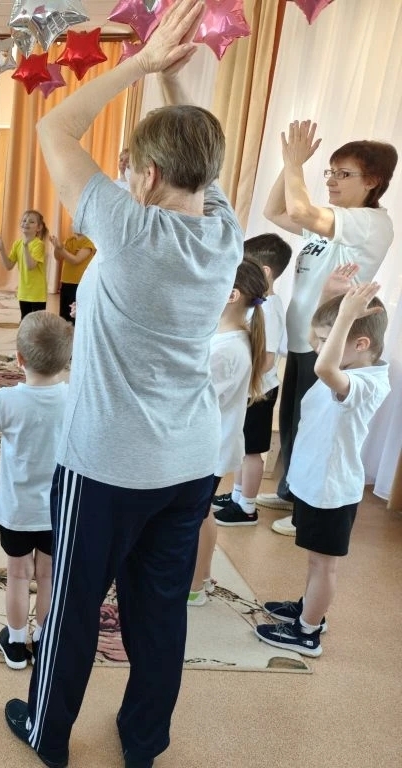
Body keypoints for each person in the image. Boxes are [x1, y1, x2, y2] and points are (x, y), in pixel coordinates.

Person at [1, 4, 242, 768]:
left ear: (150, 174)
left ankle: (48, 734)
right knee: (159, 610)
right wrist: (169, 75)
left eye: (136, 167)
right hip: (189, 461)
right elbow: (200, 166)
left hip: (107, 465)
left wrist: (141, 63)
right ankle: (144, 741)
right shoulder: (224, 233)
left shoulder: (129, 229)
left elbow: (54, 129)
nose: (128, 176)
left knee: (73, 607)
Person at [258, 121, 396, 535]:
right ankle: (289, 490)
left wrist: (295, 163)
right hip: (305, 337)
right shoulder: (336, 221)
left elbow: (301, 210)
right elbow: (275, 211)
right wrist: (290, 164)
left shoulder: (369, 222)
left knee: (314, 427)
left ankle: (306, 509)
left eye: (344, 174)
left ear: (372, 181)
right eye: (330, 172)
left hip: (330, 343)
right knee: (294, 419)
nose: (332, 181)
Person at [255, 285, 389, 657]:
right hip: (315, 484)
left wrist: (345, 316)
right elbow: (323, 354)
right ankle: (309, 608)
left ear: (360, 344)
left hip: (330, 492)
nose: (318, 347)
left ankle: (308, 631)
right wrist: (328, 298)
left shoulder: (362, 383)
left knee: (323, 565)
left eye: (326, 341)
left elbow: (323, 366)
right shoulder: (349, 366)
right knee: (316, 560)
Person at [0, 312, 72, 670]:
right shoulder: (73, 398)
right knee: (47, 577)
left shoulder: (6, 400)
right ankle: (43, 640)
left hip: (16, 510)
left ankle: (15, 643)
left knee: (17, 575)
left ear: (19, 359)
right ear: (66, 360)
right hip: (57, 510)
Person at [189, 258, 268, 605]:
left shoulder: (228, 349)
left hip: (206, 450)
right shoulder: (227, 336)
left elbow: (196, 398)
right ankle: (202, 577)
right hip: (210, 447)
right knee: (201, 513)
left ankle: (194, 586)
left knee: (194, 517)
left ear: (231, 294)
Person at [214, 234, 292, 525]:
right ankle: (237, 496)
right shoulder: (263, 306)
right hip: (250, 390)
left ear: (265, 271)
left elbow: (267, 359)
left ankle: (247, 507)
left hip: (259, 391)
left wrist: (242, 380)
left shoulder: (268, 308)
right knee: (242, 445)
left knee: (252, 452)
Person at [0, 211, 48, 319]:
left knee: (38, 323)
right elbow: (9, 266)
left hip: (37, 293)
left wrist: (26, 246)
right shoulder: (17, 244)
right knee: (25, 320)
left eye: (31, 222)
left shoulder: (39, 245)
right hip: (23, 291)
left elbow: (30, 266)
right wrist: (2, 249)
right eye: (24, 220)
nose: (26, 223)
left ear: (39, 228)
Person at [51, 232, 96, 324]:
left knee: (75, 314)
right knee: (64, 314)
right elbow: (58, 257)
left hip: (80, 284)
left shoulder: (89, 242)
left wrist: (61, 249)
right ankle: (65, 331)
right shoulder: (69, 240)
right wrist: (57, 247)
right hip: (66, 282)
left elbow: (76, 260)